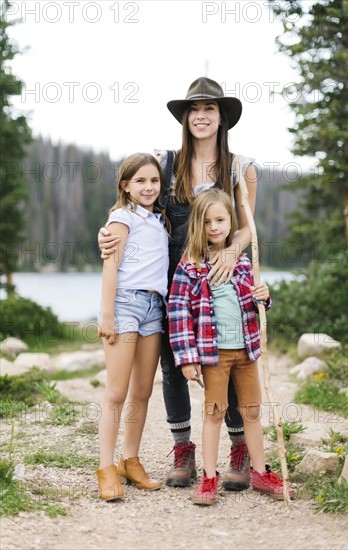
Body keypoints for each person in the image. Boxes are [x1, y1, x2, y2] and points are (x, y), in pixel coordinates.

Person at [98, 77, 257, 490]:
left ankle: (239, 450)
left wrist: (231, 251)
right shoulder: (166, 163)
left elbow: (247, 229)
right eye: (194, 110)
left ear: (222, 117)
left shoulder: (241, 167)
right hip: (173, 278)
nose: (201, 116)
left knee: (231, 357)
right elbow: (134, 200)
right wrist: (108, 231)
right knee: (174, 365)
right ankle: (183, 448)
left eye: (210, 109)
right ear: (185, 118)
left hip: (221, 277)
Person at [168, 188, 293, 505]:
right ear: (199, 224)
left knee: (251, 411)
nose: (214, 227)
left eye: (221, 220)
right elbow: (179, 311)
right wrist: (186, 358)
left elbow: (256, 304)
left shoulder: (242, 262)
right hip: (214, 356)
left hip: (247, 352)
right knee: (214, 412)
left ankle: (260, 470)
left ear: (230, 221)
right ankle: (210, 478)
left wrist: (264, 297)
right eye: (207, 221)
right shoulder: (190, 266)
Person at [96, 152, 169, 501]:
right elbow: (111, 267)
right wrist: (107, 314)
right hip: (126, 305)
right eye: (140, 180)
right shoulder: (121, 217)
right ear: (125, 185)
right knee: (116, 392)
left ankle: (130, 459)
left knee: (143, 391)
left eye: (154, 180)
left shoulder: (158, 220)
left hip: (155, 308)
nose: (148, 186)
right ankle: (106, 468)